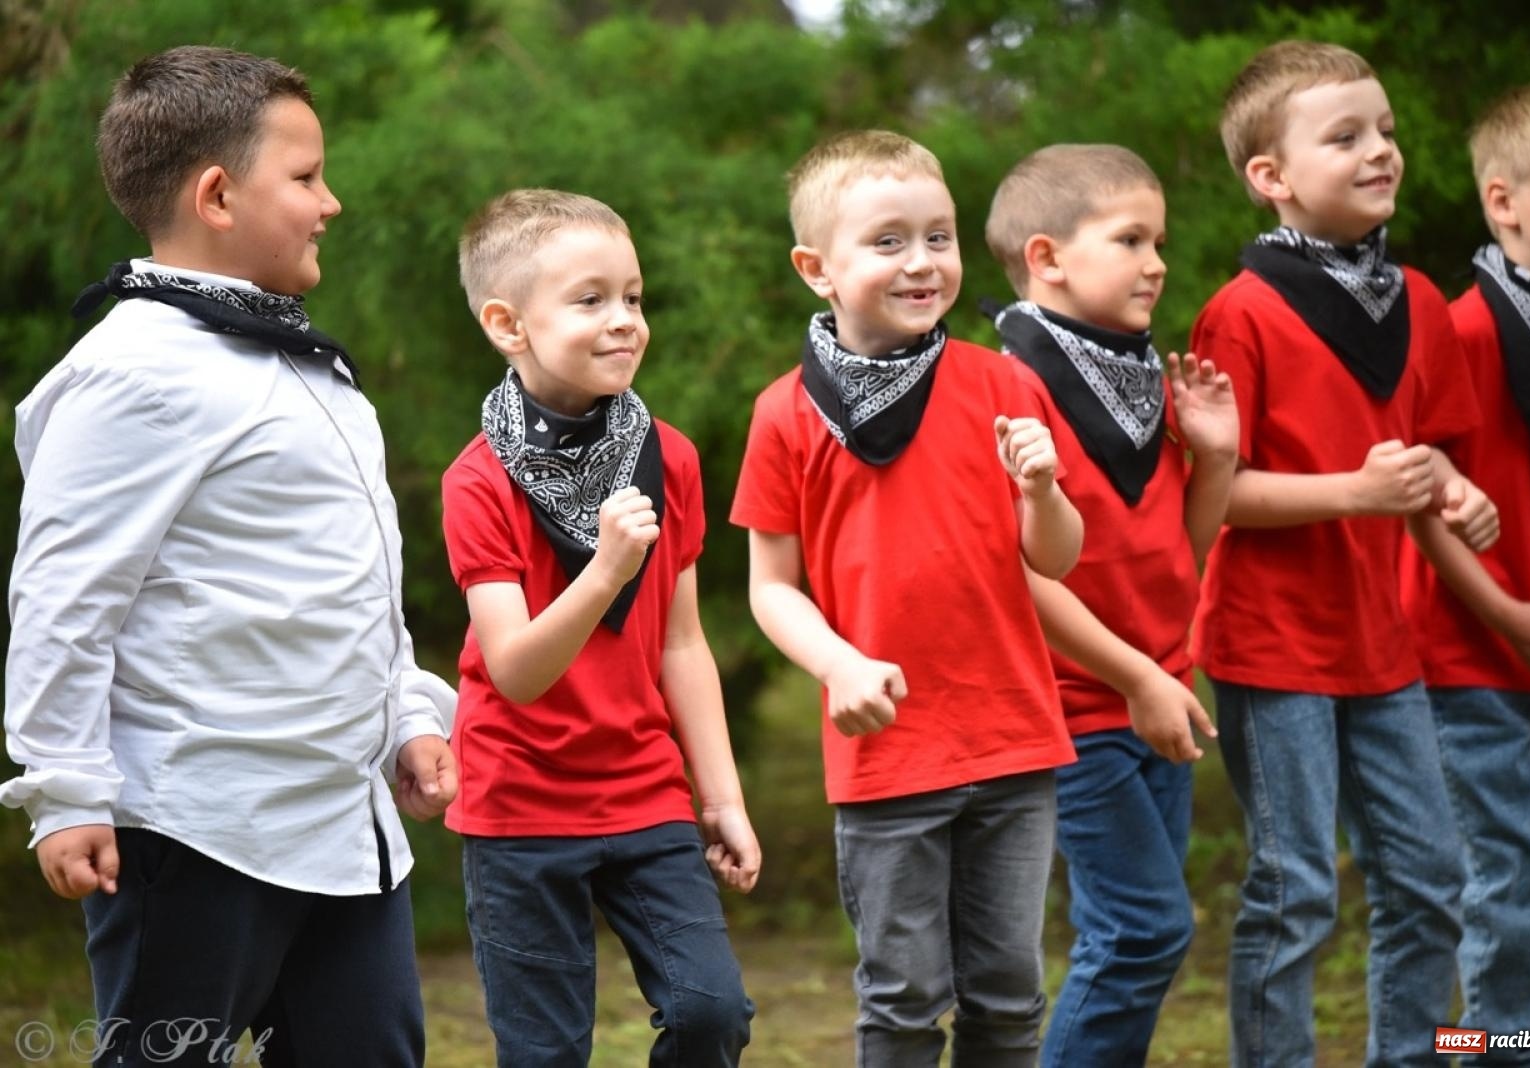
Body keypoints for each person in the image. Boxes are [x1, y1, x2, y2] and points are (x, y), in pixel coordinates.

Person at [1, 45, 456, 1066]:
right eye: (304, 177)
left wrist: (406, 717)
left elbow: (350, 588)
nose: (330, 202)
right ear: (216, 193)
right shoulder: (132, 376)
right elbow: (66, 596)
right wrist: (64, 789)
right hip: (196, 832)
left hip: (345, 833)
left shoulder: (309, 369)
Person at [731, 129, 1083, 1067]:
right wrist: (838, 662)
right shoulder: (785, 414)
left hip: (1012, 740)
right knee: (903, 1000)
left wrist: (1044, 492)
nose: (922, 262)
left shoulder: (1004, 383)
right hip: (887, 754)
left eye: (939, 236)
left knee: (1010, 1000)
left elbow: (1054, 559)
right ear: (818, 268)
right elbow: (772, 590)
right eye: (888, 241)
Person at [1192, 40, 1501, 1067]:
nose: (1380, 151)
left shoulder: (1416, 300)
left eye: (1385, 132)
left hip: (1384, 645)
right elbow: (1215, 494)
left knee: (1430, 879)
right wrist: (1356, 492)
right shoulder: (1238, 312)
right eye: (1345, 137)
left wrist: (1452, 490)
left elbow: (1423, 449)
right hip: (1271, 645)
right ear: (1270, 178)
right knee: (1295, 891)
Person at [443, 188, 759, 1067]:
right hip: (518, 810)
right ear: (509, 325)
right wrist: (606, 570)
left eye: (633, 296)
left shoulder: (674, 458)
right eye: (590, 300)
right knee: (545, 1054)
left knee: (712, 1012)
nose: (624, 320)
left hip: (645, 794)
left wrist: (721, 799)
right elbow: (514, 669)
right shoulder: (477, 482)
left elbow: (682, 644)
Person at [983, 142, 1238, 1067]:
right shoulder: (1008, 383)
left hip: (1155, 696)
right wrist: (1135, 677)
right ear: (1047, 257)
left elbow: (1189, 542)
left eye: (1159, 240)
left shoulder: (1139, 378)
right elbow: (1019, 574)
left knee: (1130, 939)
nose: (1158, 262)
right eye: (1131, 238)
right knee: (1143, 932)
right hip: (1076, 709)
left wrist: (1216, 455)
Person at [1400, 81, 1530, 1068]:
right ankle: (1510, 1052)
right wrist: (1507, 613)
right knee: (1509, 876)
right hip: (1459, 657)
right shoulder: (1458, 332)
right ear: (1503, 201)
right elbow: (1411, 507)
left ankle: (1521, 1044)